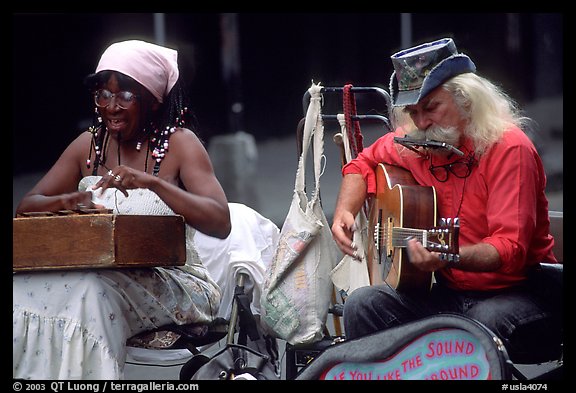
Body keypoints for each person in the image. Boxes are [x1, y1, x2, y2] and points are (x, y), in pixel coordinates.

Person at [331, 37, 561, 364]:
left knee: (479, 327)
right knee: (363, 305)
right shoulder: (419, 141)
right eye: (412, 112)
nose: (422, 123)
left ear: (466, 99)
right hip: (454, 296)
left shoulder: (510, 147)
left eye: (431, 108)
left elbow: (509, 249)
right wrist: (345, 210)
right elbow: (362, 163)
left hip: (524, 295)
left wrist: (448, 256)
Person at [13, 40, 231, 379]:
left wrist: (154, 183)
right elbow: (27, 206)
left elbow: (220, 222)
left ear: (154, 100)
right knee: (23, 290)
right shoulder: (89, 145)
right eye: (103, 94)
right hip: (98, 273)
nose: (111, 106)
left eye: (126, 96)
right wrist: (65, 202)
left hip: (174, 281)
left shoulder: (180, 145)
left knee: (90, 292)